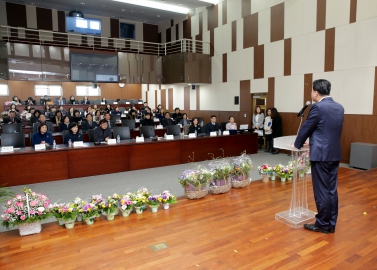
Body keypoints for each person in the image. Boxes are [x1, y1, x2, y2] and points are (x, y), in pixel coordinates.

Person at [294, 79, 344, 234]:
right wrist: (314, 142)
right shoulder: (339, 107)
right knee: (331, 190)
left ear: (316, 92)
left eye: (311, 91)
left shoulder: (318, 107)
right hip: (333, 153)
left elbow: (307, 127)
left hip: (321, 156)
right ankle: (331, 223)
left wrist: (298, 144)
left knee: (322, 191)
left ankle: (322, 224)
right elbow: (328, 131)